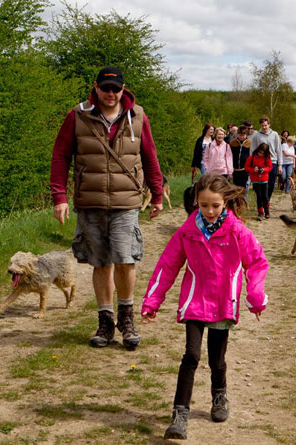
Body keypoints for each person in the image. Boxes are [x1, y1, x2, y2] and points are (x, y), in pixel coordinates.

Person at [140, 174, 269, 440]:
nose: (209, 211)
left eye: (215, 206)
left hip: (224, 301)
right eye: (203, 205)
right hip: (195, 300)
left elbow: (256, 263)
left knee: (216, 359)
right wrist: (152, 302)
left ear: (226, 203)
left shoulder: (237, 231)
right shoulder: (187, 232)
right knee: (191, 356)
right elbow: (167, 265)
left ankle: (219, 396)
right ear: (195, 203)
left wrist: (255, 296)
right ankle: (179, 414)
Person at [50, 66, 164, 350]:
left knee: (126, 260)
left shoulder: (137, 116)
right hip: (90, 202)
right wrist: (59, 197)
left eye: (116, 89)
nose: (110, 94)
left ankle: (126, 319)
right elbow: (60, 156)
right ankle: (105, 322)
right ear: (96, 87)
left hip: (126, 203)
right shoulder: (77, 116)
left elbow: (149, 156)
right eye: (105, 88)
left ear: (123, 90)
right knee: (100, 263)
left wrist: (158, 193)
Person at [251, 116, 282, 218]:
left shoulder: (275, 135)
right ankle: (262, 208)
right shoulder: (256, 136)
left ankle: (266, 204)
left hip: (272, 162)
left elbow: (278, 150)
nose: (264, 127)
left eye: (266, 125)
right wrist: (253, 163)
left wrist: (280, 165)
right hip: (260, 163)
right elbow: (253, 150)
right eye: (262, 125)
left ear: (269, 124)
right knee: (260, 187)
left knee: (271, 186)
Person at [245, 142, 273, 220]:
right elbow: (246, 167)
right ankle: (260, 212)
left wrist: (263, 169)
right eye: (260, 152)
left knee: (265, 196)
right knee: (259, 196)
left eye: (263, 153)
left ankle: (267, 211)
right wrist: (253, 170)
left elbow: (270, 167)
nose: (261, 154)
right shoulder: (252, 157)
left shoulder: (267, 158)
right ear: (258, 150)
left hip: (264, 179)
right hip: (255, 180)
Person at [229, 124, 251, 190]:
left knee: (244, 188)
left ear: (246, 134)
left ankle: (243, 200)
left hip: (245, 170)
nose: (241, 137)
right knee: (235, 188)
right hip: (235, 170)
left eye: (243, 135)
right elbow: (229, 156)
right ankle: (237, 200)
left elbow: (251, 156)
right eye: (240, 135)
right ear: (237, 134)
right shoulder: (233, 143)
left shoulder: (250, 143)